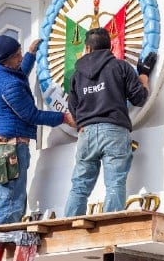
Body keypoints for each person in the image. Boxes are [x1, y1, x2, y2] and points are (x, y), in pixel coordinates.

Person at [63, 28, 157, 216]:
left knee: (79, 185)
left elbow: (73, 109)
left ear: (87, 49)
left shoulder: (76, 75)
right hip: (114, 130)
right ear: (111, 47)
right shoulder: (120, 67)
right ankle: (109, 226)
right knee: (115, 183)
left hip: (86, 134)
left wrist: (84, 123)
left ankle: (69, 224)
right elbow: (139, 98)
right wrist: (144, 76)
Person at [0, 34, 75, 224]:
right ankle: (5, 233)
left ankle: (6, 230)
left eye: (20, 53)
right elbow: (32, 115)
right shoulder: (9, 86)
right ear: (6, 59)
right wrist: (64, 118)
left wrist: (30, 55)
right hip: (12, 148)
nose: (20, 58)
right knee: (11, 197)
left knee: (11, 193)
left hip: (4, 146)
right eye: (17, 55)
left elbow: (19, 73)